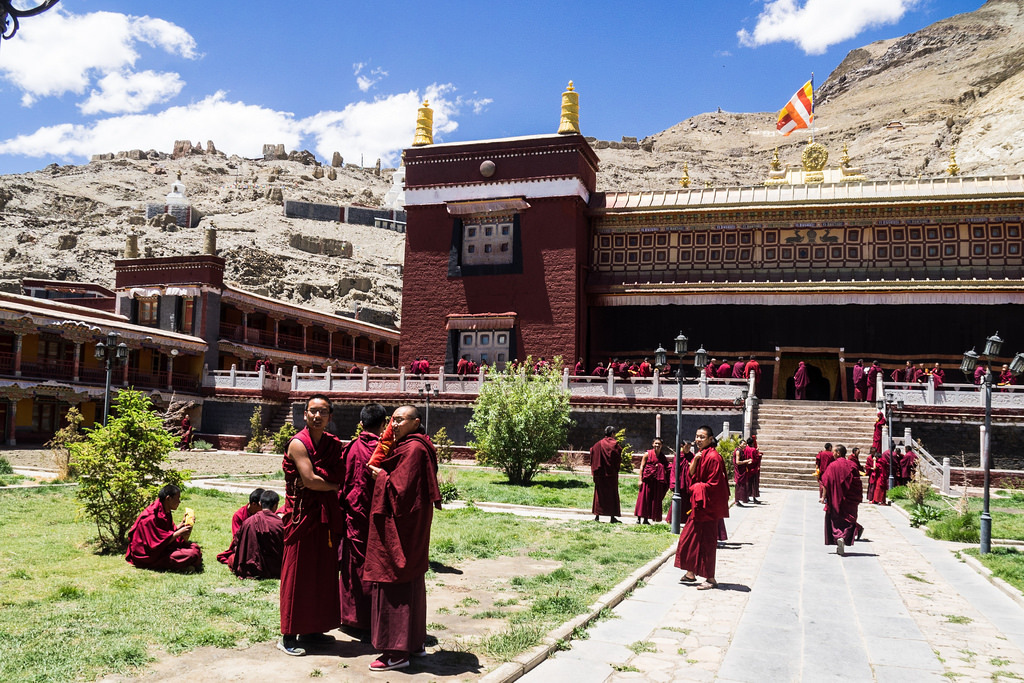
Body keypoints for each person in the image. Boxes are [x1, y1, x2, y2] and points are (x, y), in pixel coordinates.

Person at [364, 405, 441, 672]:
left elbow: (402, 491)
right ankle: (414, 642)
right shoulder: (413, 445)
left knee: (394, 578)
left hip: (402, 525)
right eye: (393, 420)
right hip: (412, 523)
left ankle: (396, 652)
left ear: (416, 422)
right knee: (411, 579)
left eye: (401, 420)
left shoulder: (414, 448)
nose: (394, 425)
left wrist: (381, 475)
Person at [278, 394, 344, 657]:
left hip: (324, 516)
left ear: (330, 416)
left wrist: (325, 482)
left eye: (323, 412)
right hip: (301, 516)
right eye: (313, 411)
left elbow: (336, 474)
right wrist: (332, 486)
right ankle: (288, 635)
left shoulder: (332, 443)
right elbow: (311, 479)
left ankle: (313, 629)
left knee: (322, 572)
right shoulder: (298, 443)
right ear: (304, 414)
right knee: (298, 574)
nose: (317, 416)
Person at [339, 402, 386, 637]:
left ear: (361, 424)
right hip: (377, 518)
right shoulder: (385, 450)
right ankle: (371, 620)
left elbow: (342, 482)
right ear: (384, 424)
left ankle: (350, 618)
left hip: (352, 515)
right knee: (374, 567)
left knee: (353, 567)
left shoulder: (350, 448)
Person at [675, 425, 729, 590]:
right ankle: (691, 572)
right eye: (697, 436)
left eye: (702, 437)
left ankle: (710, 578)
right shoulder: (700, 455)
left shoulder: (714, 457)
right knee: (689, 539)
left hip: (707, 507)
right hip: (698, 506)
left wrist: (697, 487)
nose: (698, 440)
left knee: (706, 542)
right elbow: (689, 475)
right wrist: (696, 460)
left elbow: (714, 485)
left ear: (711, 439)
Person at [125, 484, 203, 572]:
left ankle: (184, 565)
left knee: (194, 547)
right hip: (148, 556)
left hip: (161, 549)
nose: (179, 502)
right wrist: (178, 533)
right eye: (177, 498)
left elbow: (166, 533)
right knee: (190, 554)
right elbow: (155, 545)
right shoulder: (150, 517)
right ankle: (182, 566)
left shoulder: (164, 509)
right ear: (168, 498)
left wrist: (182, 524)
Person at [232, 489, 284, 579]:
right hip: (275, 568)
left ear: (260, 503)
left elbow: (237, 542)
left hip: (251, 568)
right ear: (276, 505)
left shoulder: (248, 522)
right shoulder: (280, 523)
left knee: (232, 559)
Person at [821, 445, 863, 556]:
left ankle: (838, 536)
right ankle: (844, 537)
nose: (832, 454)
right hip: (849, 498)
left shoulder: (832, 466)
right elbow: (857, 483)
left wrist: (823, 497)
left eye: (834, 452)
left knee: (836, 519)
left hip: (835, 498)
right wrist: (858, 496)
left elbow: (825, 482)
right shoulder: (852, 465)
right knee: (849, 518)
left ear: (838, 453)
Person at [216, 488, 265, 566]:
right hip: (245, 545)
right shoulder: (239, 515)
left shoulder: (264, 513)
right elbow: (237, 537)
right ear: (254, 504)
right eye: (261, 506)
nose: (263, 508)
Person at [590, 426, 622, 523]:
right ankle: (612, 517)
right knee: (612, 494)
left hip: (600, 474)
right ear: (613, 434)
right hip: (611, 474)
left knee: (599, 494)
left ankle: (597, 516)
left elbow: (592, 451)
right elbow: (618, 456)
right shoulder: (615, 444)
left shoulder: (598, 444)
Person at [634, 437, 670, 524]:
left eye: (659, 444)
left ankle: (646, 519)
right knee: (643, 499)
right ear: (652, 444)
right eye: (656, 443)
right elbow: (642, 467)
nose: (657, 445)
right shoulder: (647, 454)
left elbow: (668, 467)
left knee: (650, 500)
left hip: (655, 482)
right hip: (647, 480)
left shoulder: (662, 456)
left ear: (662, 445)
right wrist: (640, 480)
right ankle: (639, 518)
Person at [733, 438, 754, 506]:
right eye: (743, 444)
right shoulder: (738, 451)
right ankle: (737, 500)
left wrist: (747, 462)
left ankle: (739, 500)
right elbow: (737, 462)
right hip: (739, 471)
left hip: (742, 470)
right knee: (739, 485)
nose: (745, 445)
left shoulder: (742, 451)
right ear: (740, 444)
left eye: (745, 444)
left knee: (742, 485)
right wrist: (747, 461)